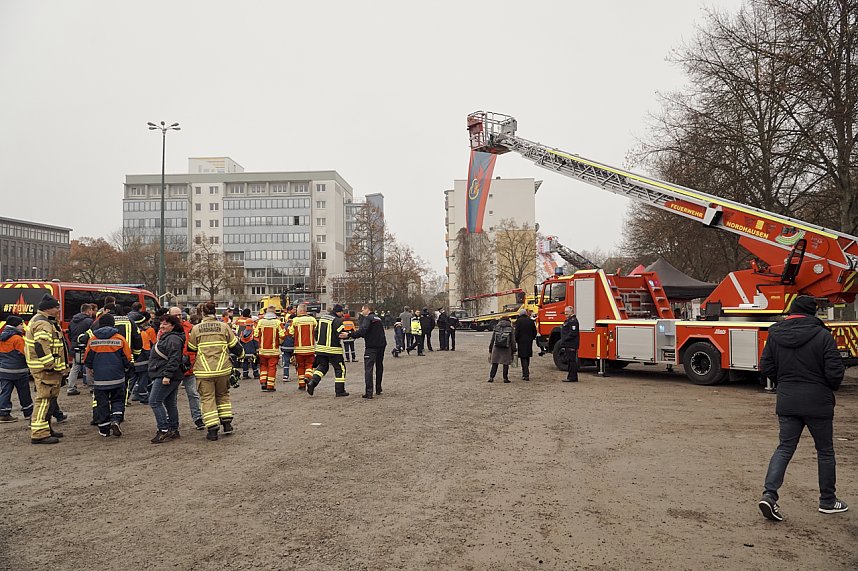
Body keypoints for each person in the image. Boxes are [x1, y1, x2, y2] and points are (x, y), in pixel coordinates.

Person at [758, 295, 848, 521]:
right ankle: (827, 501)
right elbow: (835, 371)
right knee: (825, 452)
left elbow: (766, 366)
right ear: (813, 313)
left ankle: (769, 495)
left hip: (788, 400)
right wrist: (826, 387)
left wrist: (784, 382)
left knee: (785, 448)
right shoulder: (823, 336)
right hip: (818, 402)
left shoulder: (775, 334)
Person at [188, 301, 244, 441]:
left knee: (207, 399)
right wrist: (242, 356)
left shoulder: (196, 329)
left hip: (204, 371)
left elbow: (191, 348)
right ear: (215, 312)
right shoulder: (224, 326)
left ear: (202, 313)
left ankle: (212, 430)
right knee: (223, 395)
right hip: (223, 369)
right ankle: (227, 424)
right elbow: (234, 346)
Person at [25, 294, 69, 444]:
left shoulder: (45, 321)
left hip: (49, 369)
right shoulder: (43, 324)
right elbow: (40, 346)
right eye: (57, 307)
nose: (59, 310)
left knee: (50, 400)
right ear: (48, 308)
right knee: (44, 399)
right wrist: (50, 365)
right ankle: (39, 433)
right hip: (45, 370)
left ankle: (46, 428)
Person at [84, 313, 132, 437]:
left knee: (102, 403)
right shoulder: (120, 339)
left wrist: (91, 369)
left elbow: (87, 359)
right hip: (117, 377)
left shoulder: (93, 339)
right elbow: (127, 357)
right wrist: (127, 368)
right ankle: (115, 420)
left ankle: (104, 429)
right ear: (113, 324)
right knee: (117, 400)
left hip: (100, 379)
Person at [147, 314, 186, 444]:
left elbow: (174, 358)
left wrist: (167, 376)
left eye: (165, 324)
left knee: (154, 401)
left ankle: (163, 430)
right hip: (167, 374)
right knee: (169, 403)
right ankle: (173, 429)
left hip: (165, 375)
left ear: (173, 326)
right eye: (161, 323)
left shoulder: (173, 339)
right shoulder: (170, 337)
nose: (162, 326)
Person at [168, 306, 204, 430]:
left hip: (189, 366)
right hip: (173, 367)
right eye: (175, 315)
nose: (178, 317)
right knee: (171, 396)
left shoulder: (190, 328)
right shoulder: (166, 329)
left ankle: (198, 418)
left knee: (193, 393)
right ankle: (172, 421)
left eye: (179, 315)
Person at [306, 304, 349, 397]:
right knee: (340, 369)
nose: (342, 314)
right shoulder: (337, 321)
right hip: (333, 350)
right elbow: (341, 334)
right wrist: (349, 334)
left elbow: (316, 332)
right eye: (342, 312)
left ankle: (312, 382)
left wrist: (320, 342)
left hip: (321, 349)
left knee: (322, 367)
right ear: (339, 312)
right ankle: (340, 391)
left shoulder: (322, 318)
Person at [0, 316, 34, 422]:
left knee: (5, 392)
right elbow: (25, 354)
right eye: (20, 325)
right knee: (24, 393)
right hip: (19, 372)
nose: (22, 327)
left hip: (4, 370)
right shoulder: (18, 339)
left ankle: (4, 413)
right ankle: (28, 413)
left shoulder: (2, 337)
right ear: (15, 325)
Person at [349, 304, 386, 398]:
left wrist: (350, 334)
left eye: (362, 310)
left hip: (371, 347)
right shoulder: (378, 318)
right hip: (381, 345)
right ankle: (378, 388)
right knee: (379, 366)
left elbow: (362, 331)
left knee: (368, 369)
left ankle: (369, 392)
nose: (362, 312)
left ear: (367, 309)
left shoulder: (368, 319)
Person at [66, 303, 95, 395]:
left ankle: (70, 388)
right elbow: (91, 335)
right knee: (89, 366)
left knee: (75, 367)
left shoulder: (72, 321)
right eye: (91, 310)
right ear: (88, 311)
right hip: (86, 347)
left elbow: (69, 334)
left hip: (75, 346)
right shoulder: (89, 321)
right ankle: (92, 387)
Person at [255, 305, 284, 392]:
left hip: (263, 350)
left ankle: (263, 382)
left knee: (263, 366)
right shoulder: (277, 322)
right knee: (272, 367)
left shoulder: (260, 322)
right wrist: (279, 342)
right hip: (273, 350)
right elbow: (282, 335)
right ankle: (270, 386)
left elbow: (255, 334)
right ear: (274, 312)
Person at [129, 311, 156, 404]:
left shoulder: (129, 333)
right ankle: (143, 397)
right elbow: (147, 349)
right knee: (143, 380)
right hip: (143, 361)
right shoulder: (142, 334)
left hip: (132, 361)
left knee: (131, 380)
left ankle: (126, 397)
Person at [288, 303, 317, 390]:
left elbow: (290, 333)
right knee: (310, 365)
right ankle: (308, 376)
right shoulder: (312, 320)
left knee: (300, 366)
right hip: (310, 348)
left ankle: (301, 385)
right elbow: (316, 329)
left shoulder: (295, 320)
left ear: (300, 311)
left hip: (299, 349)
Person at [488, 316, 516, 383]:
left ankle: (491, 377)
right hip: (506, 348)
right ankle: (505, 378)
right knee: (505, 364)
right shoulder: (510, 328)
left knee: (495, 363)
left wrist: (490, 348)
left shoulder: (496, 327)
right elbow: (513, 340)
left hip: (497, 347)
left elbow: (492, 339)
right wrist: (514, 349)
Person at [514, 309, 538, 381]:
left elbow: (517, 332)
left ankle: (525, 374)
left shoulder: (519, 321)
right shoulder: (530, 321)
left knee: (523, 357)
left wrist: (516, 340)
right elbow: (535, 332)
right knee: (527, 356)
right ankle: (526, 372)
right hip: (529, 341)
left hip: (521, 342)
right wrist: (532, 338)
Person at [560, 306, 579, 382]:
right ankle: (572, 377)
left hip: (571, 344)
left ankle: (572, 377)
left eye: (567, 312)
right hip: (569, 343)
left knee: (572, 361)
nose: (566, 313)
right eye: (565, 312)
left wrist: (564, 339)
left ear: (572, 312)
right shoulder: (569, 320)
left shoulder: (573, 321)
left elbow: (573, 333)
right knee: (570, 360)